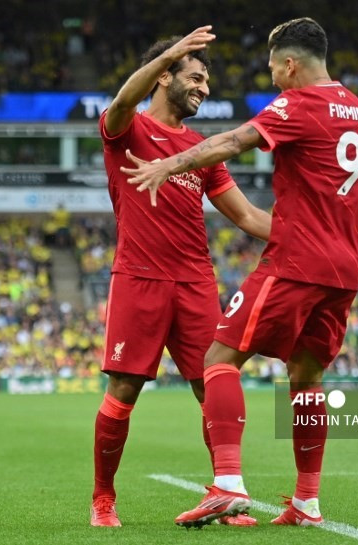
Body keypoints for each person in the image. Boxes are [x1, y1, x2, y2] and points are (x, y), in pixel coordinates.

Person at [122, 17, 358, 527]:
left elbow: (233, 141)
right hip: (346, 265)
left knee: (219, 359)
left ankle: (227, 484)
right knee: (307, 377)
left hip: (297, 259)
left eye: (273, 69)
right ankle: (307, 503)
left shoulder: (297, 103)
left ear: (291, 64)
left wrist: (168, 165)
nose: (273, 79)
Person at [90, 26, 271, 528]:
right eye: (195, 77)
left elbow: (248, 217)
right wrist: (171, 51)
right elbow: (123, 100)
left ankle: (225, 492)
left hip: (195, 284)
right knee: (124, 391)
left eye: (206, 81)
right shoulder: (126, 128)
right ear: (164, 76)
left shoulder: (200, 149)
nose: (204, 88)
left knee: (213, 387)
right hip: (139, 278)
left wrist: (310, 235)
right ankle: (103, 499)